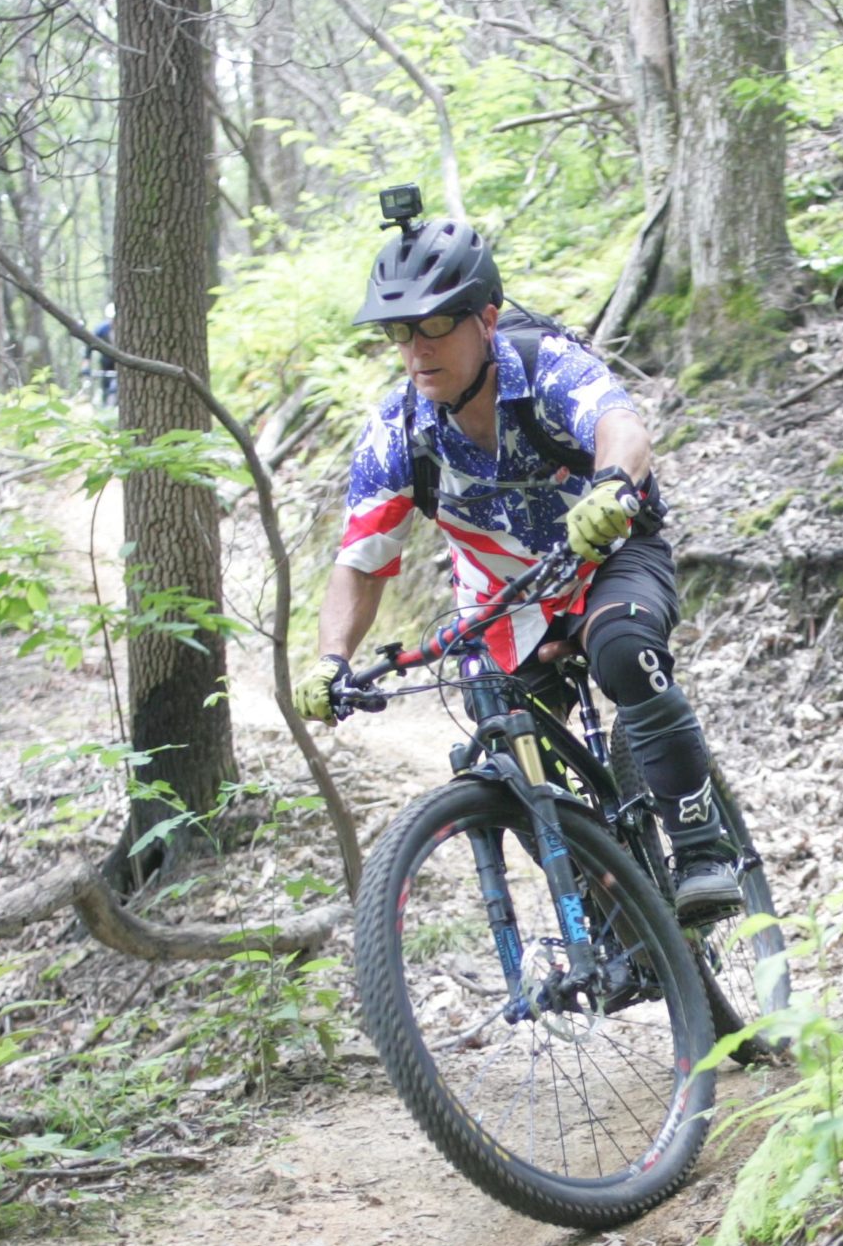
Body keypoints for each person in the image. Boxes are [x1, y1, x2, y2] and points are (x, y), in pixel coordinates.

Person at [293, 215, 742, 922]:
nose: (417, 349)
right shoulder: (397, 432)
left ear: (488, 319)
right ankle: (612, 903)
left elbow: (620, 427)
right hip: (505, 602)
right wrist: (330, 658)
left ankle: (701, 848)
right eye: (400, 332)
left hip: (609, 554)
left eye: (437, 323)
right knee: (506, 750)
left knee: (623, 650)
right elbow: (361, 560)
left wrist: (611, 487)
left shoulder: (545, 365)